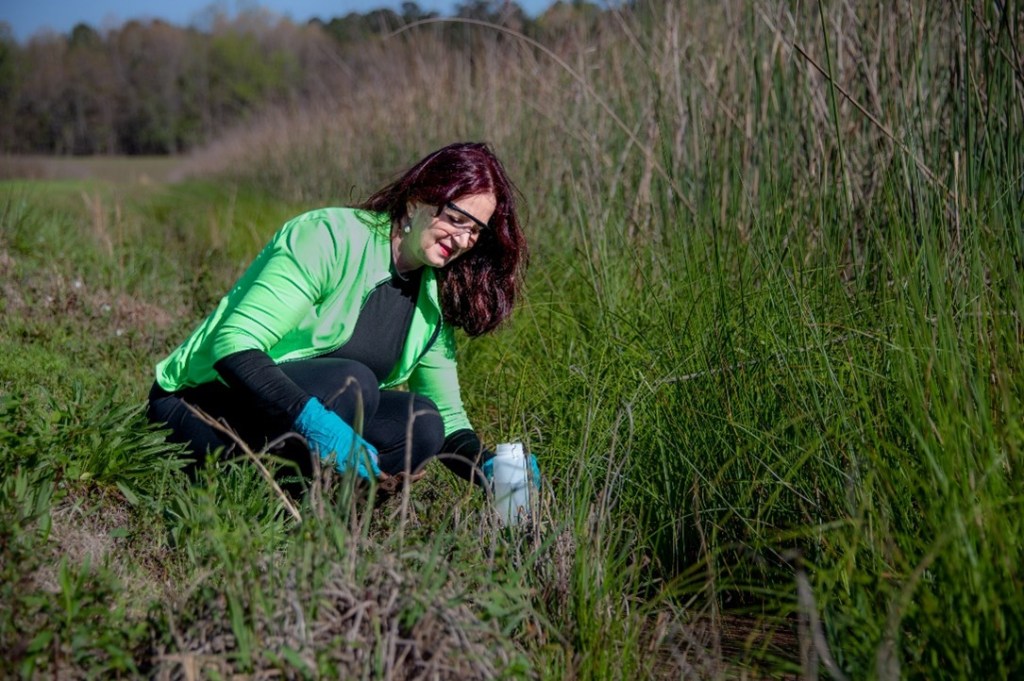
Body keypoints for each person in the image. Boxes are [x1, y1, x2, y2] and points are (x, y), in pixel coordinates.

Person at [147, 141, 540, 491]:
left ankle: (312, 500)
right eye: (456, 219)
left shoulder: (432, 297)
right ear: (418, 199)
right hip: (199, 404)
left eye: (475, 231)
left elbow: (449, 417)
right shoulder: (329, 237)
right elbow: (232, 344)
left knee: (422, 422)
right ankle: (254, 489)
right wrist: (312, 419)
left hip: (285, 425)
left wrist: (486, 466)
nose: (463, 240)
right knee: (352, 382)